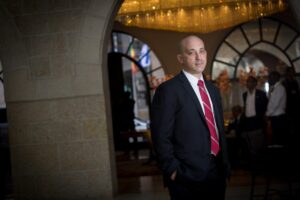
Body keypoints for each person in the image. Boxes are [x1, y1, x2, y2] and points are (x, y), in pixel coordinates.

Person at [151, 35, 230, 200]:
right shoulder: (168, 90)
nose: (199, 57)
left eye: (202, 51)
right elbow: (160, 136)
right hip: (185, 177)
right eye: (191, 53)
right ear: (180, 58)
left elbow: (218, 129)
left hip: (217, 172)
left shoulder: (213, 90)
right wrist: (173, 171)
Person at [266, 71, 287, 145]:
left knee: (278, 139)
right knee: (275, 138)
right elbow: (270, 101)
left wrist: (267, 114)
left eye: (270, 77)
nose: (268, 79)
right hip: (275, 117)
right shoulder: (273, 88)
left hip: (278, 118)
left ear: (276, 78)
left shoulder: (279, 88)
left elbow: (275, 104)